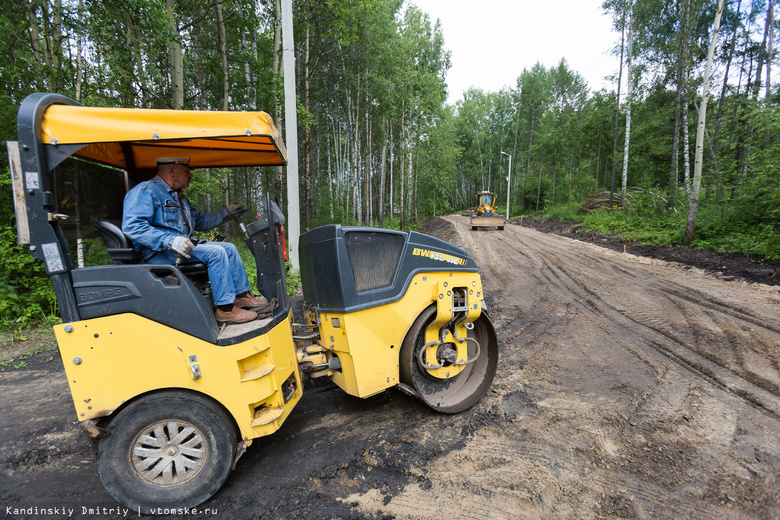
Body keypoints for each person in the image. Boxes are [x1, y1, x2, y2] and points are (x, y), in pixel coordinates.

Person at [122, 157, 268, 324]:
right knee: (216, 253)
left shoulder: (180, 198)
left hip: (180, 247)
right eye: (186, 171)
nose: (190, 175)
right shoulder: (145, 192)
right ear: (172, 171)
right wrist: (170, 241)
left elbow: (201, 221)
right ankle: (225, 310)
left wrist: (227, 212)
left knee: (228, 247)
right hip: (159, 251)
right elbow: (133, 226)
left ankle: (241, 296)